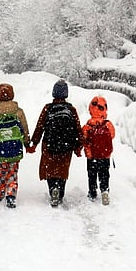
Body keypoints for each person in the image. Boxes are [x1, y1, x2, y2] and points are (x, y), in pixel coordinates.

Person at [30, 79, 81, 207]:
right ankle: (60, 191)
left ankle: (53, 189)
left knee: (50, 168)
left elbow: (40, 126)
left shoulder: (48, 108)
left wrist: (34, 143)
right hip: (66, 146)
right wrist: (78, 147)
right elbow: (77, 129)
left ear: (54, 93)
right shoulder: (71, 109)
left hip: (49, 144)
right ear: (66, 94)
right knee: (62, 169)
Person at [0, 83, 32, 209]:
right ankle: (11, 194)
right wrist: (27, 143)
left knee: (1, 171)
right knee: (13, 172)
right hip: (15, 148)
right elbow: (24, 129)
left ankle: (1, 192)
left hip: (0, 149)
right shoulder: (19, 112)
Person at [80, 95, 115, 205]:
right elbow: (112, 135)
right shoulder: (108, 124)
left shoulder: (88, 125)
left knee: (92, 174)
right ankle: (104, 191)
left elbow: (83, 138)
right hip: (105, 155)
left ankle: (92, 192)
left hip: (92, 156)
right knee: (104, 173)